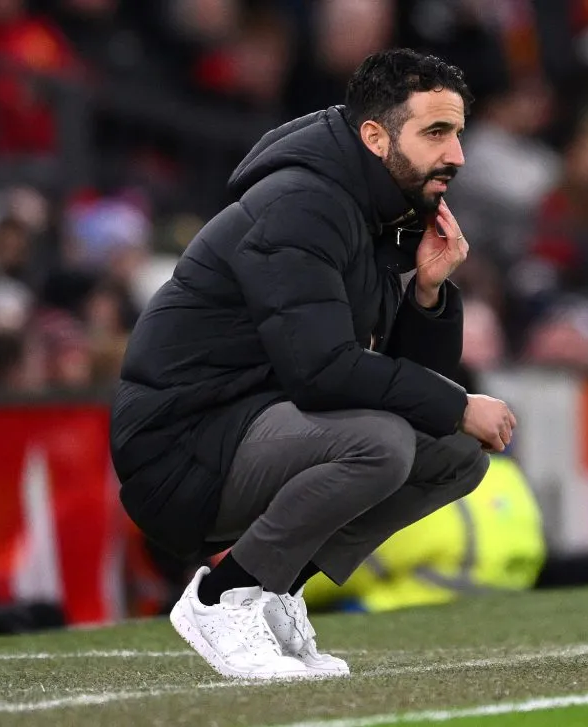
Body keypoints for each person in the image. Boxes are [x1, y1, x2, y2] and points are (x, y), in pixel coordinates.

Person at [110, 48, 517, 681]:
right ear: (375, 136)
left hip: (258, 429)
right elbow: (323, 372)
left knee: (453, 455)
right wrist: (460, 405)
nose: (457, 154)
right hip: (182, 448)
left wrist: (430, 292)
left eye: (458, 133)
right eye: (436, 132)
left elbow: (406, 385)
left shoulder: (383, 213)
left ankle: (272, 591)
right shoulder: (301, 205)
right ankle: (223, 598)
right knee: (381, 443)